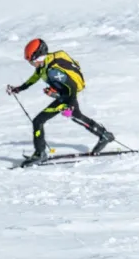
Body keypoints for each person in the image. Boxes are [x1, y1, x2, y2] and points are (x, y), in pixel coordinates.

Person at [6, 39, 115, 167]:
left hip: (68, 96)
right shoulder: (44, 65)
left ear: (38, 57)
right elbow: (34, 78)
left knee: (38, 121)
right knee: (77, 116)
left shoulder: (53, 70)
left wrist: (65, 100)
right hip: (64, 96)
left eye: (31, 61)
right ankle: (104, 135)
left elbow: (72, 86)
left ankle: (40, 154)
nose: (31, 64)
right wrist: (18, 88)